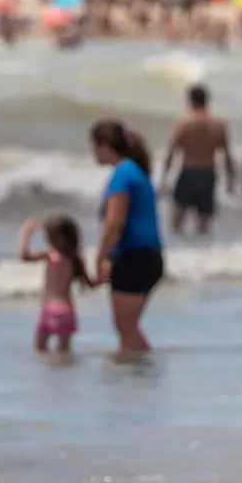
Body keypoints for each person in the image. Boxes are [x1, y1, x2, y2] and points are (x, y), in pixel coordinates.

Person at [90, 119, 164, 356]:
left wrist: (100, 255)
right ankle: (133, 379)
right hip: (147, 256)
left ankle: (141, 378)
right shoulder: (135, 171)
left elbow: (114, 221)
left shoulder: (122, 173)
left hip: (135, 257)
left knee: (127, 329)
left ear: (104, 146)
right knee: (127, 329)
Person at [162, 85, 234, 236]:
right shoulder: (218, 125)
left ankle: (180, 255)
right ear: (207, 101)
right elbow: (227, 156)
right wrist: (230, 182)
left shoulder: (184, 124)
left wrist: (164, 178)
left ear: (190, 101)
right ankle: (202, 254)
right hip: (208, 175)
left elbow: (172, 152)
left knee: (175, 225)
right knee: (203, 228)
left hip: (188, 173)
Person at [17, 214, 90, 354]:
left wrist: (26, 232)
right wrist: (105, 276)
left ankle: (47, 375)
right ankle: (64, 376)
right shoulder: (75, 259)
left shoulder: (50, 255)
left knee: (39, 350)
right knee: (64, 352)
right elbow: (90, 283)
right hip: (65, 311)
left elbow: (24, 256)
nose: (46, 239)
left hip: (47, 310)